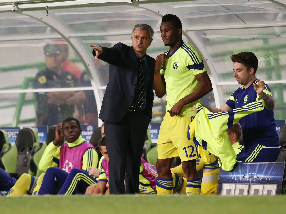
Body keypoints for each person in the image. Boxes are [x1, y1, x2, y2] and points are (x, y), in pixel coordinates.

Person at [89, 23, 155, 194]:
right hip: (116, 118)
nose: (139, 41)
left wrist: (146, 115)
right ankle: (117, 203)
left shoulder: (151, 63)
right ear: (132, 38)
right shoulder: (122, 51)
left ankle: (132, 201)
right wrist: (101, 51)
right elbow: (110, 54)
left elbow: (150, 90)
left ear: (150, 41)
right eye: (136, 37)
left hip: (138, 119)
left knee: (134, 163)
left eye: (144, 38)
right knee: (117, 162)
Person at [153, 14, 212, 195]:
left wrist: (182, 102)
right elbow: (160, 92)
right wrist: (156, 70)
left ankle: (193, 207)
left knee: (188, 167)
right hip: (169, 119)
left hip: (186, 118)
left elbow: (206, 85)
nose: (163, 34)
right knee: (162, 166)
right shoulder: (165, 58)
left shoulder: (189, 53)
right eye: (161, 31)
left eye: (167, 30)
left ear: (179, 32)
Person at [206, 52, 280, 162]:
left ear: (251, 70)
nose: (235, 74)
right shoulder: (238, 92)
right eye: (234, 71)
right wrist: (201, 107)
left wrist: (262, 95)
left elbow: (271, 104)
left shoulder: (260, 87)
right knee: (224, 162)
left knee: (234, 164)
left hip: (265, 146)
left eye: (239, 70)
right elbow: (221, 110)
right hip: (249, 146)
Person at [7, 117, 98, 196]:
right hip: (62, 184)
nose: (70, 130)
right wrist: (55, 142)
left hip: (77, 188)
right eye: (66, 129)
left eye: (73, 127)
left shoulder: (87, 149)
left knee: (51, 171)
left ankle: (41, 203)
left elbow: (86, 178)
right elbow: (43, 166)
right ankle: (8, 206)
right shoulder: (63, 148)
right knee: (26, 178)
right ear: (63, 132)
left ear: (80, 130)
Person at [34, 43, 86, 126]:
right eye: (50, 56)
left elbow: (82, 95)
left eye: (56, 55)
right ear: (46, 58)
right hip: (48, 121)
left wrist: (64, 101)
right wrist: (72, 93)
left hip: (68, 121)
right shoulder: (41, 76)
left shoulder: (70, 76)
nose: (54, 58)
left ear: (62, 57)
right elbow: (51, 95)